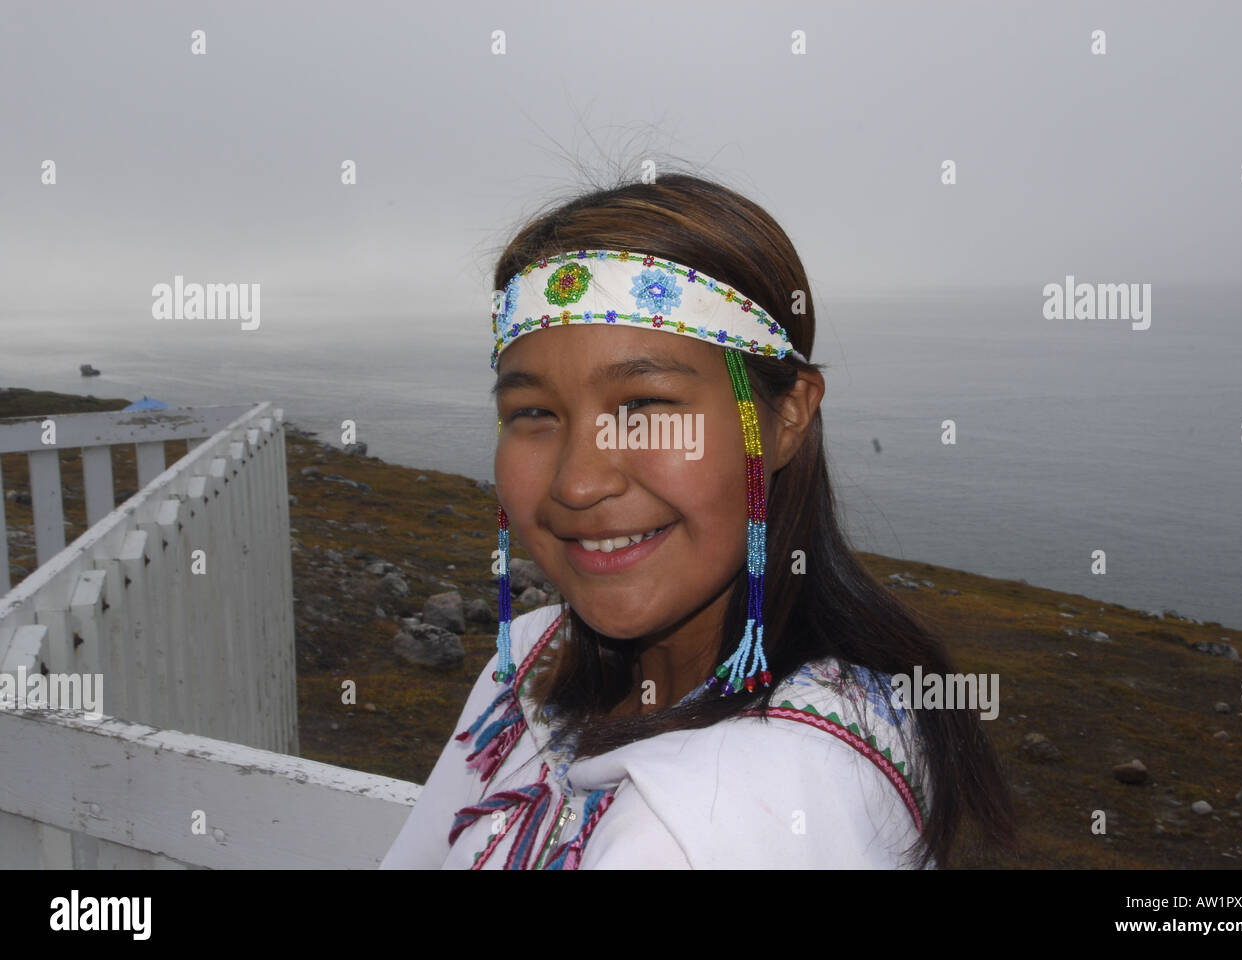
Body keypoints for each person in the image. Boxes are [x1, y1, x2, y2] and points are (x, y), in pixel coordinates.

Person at [380, 173, 1015, 869]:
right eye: (533, 413)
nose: (579, 482)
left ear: (789, 416)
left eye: (647, 404)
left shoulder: (731, 819)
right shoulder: (531, 659)